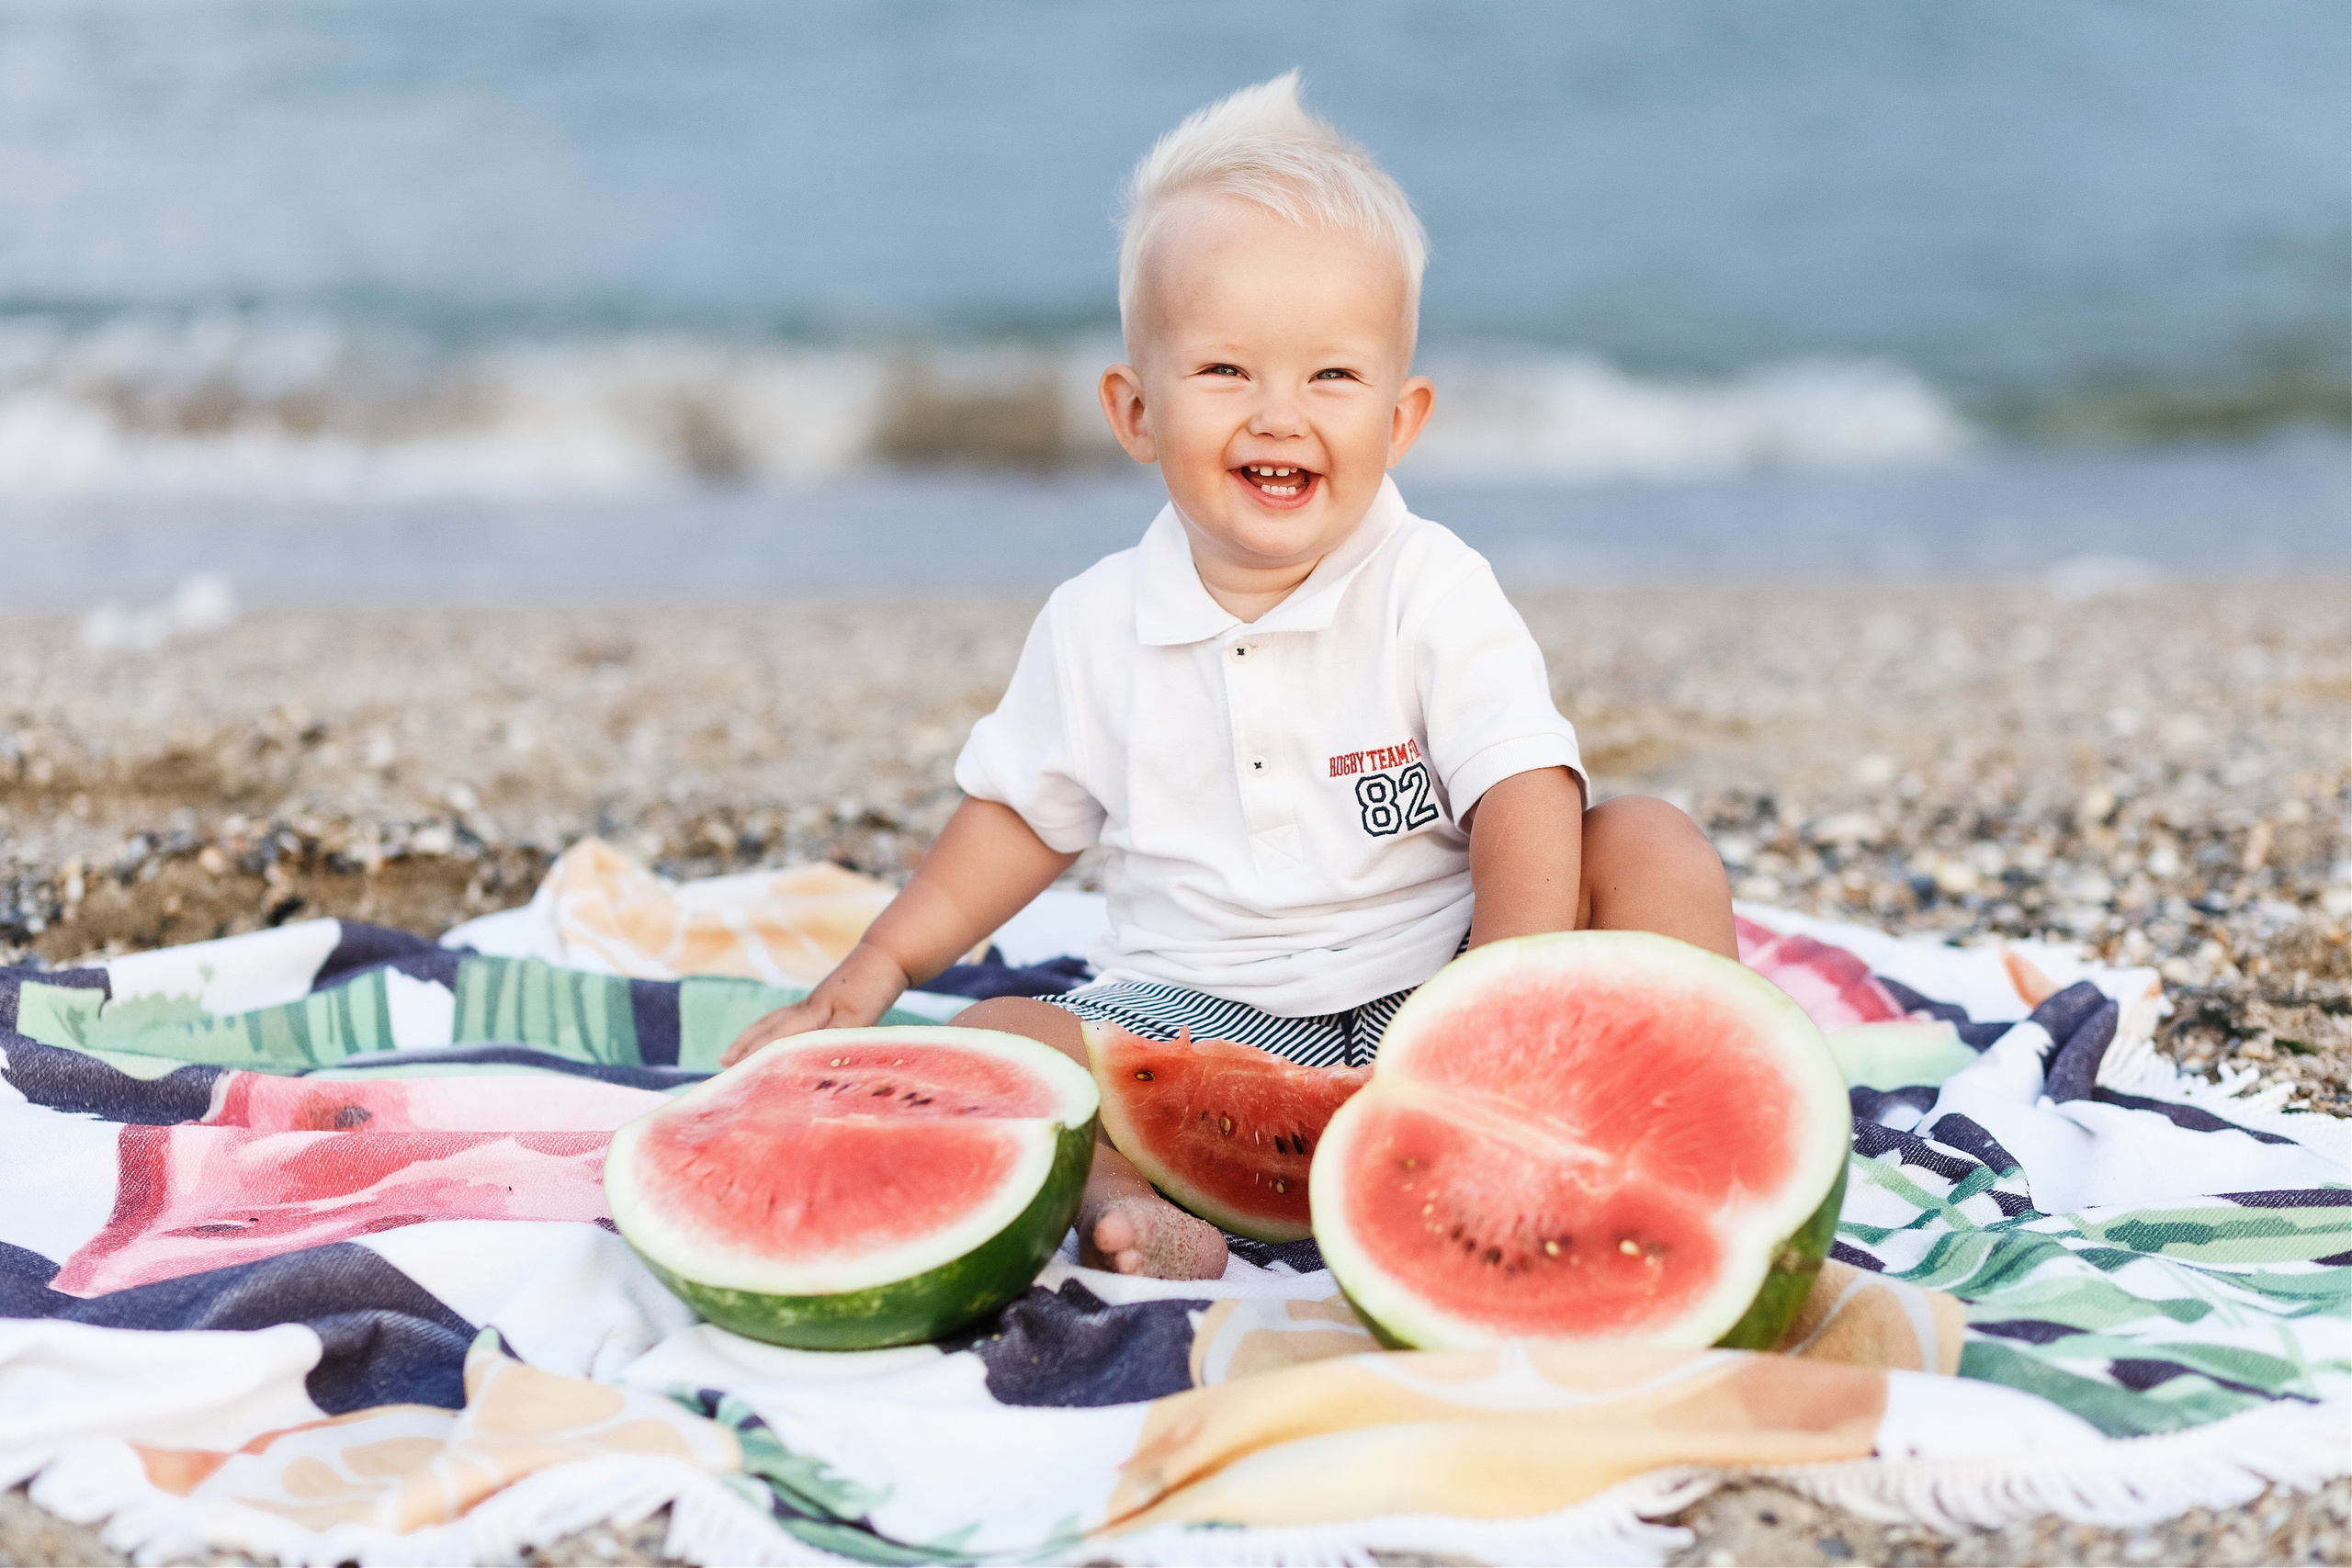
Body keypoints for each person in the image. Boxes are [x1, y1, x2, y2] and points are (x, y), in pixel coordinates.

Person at [723, 73, 1735, 1280]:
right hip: (1196, 1027)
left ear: (1403, 419)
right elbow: (1013, 822)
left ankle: (1694, 1133)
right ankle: (1124, 1203)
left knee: (1649, 843)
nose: (1278, 415)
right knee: (999, 1036)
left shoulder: (1430, 584)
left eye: (1331, 377)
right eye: (1224, 373)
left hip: (1439, 984)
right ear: (1134, 410)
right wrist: (878, 967)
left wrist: (1491, 1014)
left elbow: (1526, 788)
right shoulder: (1096, 624)